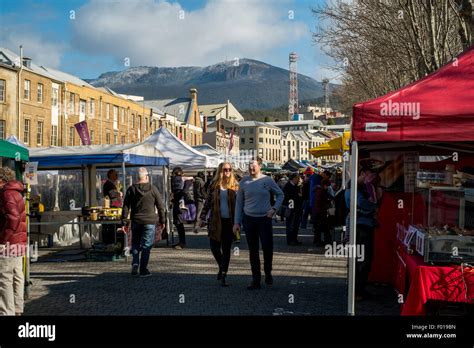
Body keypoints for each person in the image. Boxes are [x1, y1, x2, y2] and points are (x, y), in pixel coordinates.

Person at [233, 157, 284, 290]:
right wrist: (236, 222)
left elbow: (280, 195)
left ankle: (268, 271)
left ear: (260, 166)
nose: (251, 168)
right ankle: (256, 279)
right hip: (249, 219)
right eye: (249, 166)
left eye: (253, 166)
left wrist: (274, 209)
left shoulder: (267, 180)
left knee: (267, 247)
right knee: (253, 250)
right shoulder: (243, 182)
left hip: (264, 219)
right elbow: (239, 204)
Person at [344, 162, 383, 300]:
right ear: (361, 174)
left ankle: (359, 289)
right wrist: (374, 206)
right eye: (369, 174)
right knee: (362, 260)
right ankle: (357, 291)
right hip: (360, 227)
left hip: (364, 226)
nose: (370, 178)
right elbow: (361, 203)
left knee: (364, 259)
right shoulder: (354, 189)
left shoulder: (362, 188)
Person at [197, 163, 239, 287]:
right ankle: (221, 266)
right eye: (225, 169)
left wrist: (239, 221)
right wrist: (201, 218)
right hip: (215, 221)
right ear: (220, 171)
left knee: (226, 249)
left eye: (229, 169)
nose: (227, 171)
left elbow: (240, 204)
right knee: (214, 247)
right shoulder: (214, 185)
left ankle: (224, 274)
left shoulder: (236, 185)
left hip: (229, 222)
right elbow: (207, 203)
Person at [122, 167, 165, 277]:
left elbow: (126, 206)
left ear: (137, 177)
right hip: (149, 221)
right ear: (147, 177)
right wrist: (162, 221)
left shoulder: (131, 189)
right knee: (146, 246)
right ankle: (143, 270)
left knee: (135, 243)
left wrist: (124, 222)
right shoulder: (153, 189)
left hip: (136, 220)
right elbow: (160, 207)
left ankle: (135, 262)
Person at [0, 167, 27, 315]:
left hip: (9, 243)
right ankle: (17, 309)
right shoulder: (17, 193)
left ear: (2, 180)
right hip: (18, 241)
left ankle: (6, 312)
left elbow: (13, 218)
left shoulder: (6, 194)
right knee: (17, 275)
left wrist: (4, 239)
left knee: (4, 280)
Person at [102, 169, 122, 244]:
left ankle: (113, 242)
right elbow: (112, 195)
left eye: (117, 174)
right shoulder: (108, 184)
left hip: (115, 208)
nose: (117, 176)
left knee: (114, 227)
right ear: (110, 175)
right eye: (115, 174)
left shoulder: (112, 184)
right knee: (111, 228)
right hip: (112, 209)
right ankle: (111, 242)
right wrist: (119, 193)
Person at [283, 173, 303, 245]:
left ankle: (294, 239)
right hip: (291, 209)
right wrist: (297, 196)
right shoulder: (288, 186)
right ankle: (290, 240)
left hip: (296, 209)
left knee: (295, 225)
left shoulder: (295, 186)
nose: (299, 180)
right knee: (290, 225)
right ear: (293, 178)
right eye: (297, 178)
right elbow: (288, 198)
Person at [312, 178, 332, 247]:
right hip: (320, 212)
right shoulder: (321, 191)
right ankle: (319, 241)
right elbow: (319, 202)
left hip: (319, 212)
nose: (328, 187)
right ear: (325, 185)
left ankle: (318, 241)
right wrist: (327, 203)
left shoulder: (321, 190)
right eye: (327, 185)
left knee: (319, 228)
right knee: (320, 228)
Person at [171, 167, 187, 249]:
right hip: (179, 203)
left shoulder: (176, 180)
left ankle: (182, 242)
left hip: (178, 204)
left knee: (179, 223)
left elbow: (178, 192)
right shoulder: (181, 180)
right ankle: (181, 242)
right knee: (179, 223)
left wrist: (174, 199)